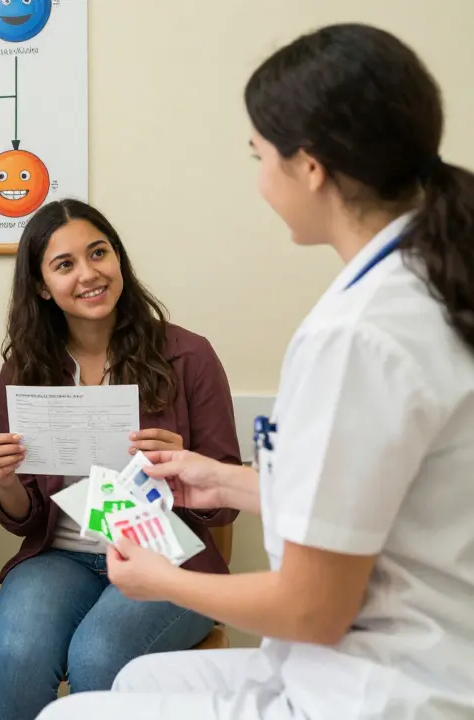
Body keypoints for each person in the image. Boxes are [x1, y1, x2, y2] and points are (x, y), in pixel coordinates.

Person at [41, 23, 474, 720]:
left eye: (260, 156)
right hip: (408, 652)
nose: (259, 179)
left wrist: (163, 582)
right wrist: (222, 479)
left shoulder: (358, 335)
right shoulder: (427, 283)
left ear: (311, 167)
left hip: (382, 688)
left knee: (67, 714)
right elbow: (366, 498)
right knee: (131, 685)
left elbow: (311, 607)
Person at [0, 199, 241, 717]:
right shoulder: (25, 371)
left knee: (100, 656)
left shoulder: (188, 356)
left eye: (99, 253)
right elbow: (23, 516)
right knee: (20, 655)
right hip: (59, 557)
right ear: (39, 285)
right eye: (65, 264)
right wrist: (6, 481)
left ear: (118, 258)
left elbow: (226, 503)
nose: (89, 273)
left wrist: (186, 464)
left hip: (167, 556)